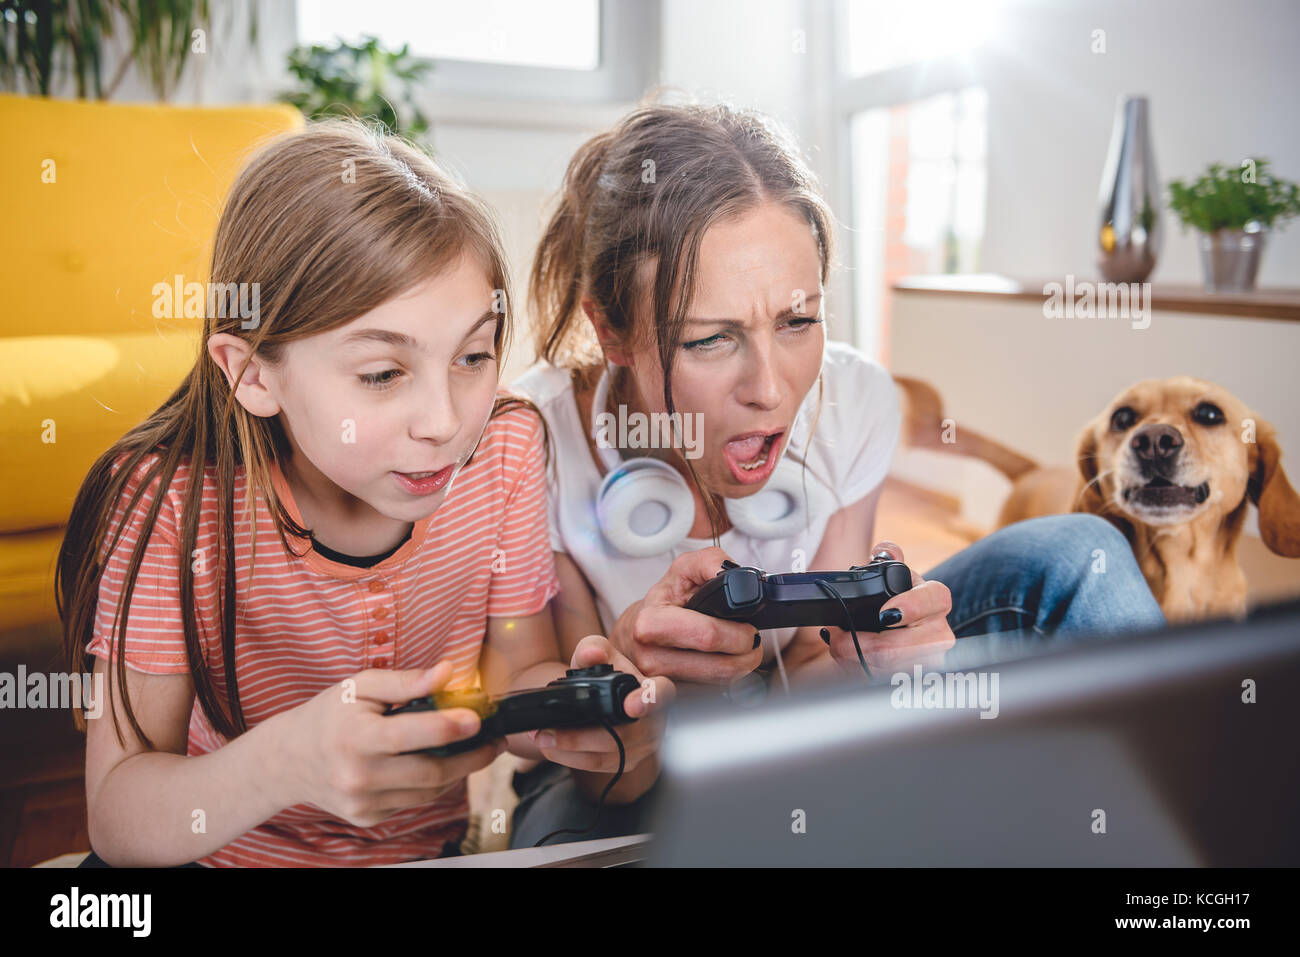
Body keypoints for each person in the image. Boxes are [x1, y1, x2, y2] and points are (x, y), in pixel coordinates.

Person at [506, 100, 1167, 845]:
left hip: (792, 729)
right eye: (710, 338)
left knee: (1079, 554)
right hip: (621, 769)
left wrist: (871, 665)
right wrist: (639, 686)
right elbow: (605, 772)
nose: (771, 387)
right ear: (612, 330)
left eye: (798, 321)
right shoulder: (532, 438)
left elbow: (813, 662)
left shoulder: (852, 399)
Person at [56, 119, 671, 867]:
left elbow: (517, 671)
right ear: (251, 372)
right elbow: (117, 816)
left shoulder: (504, 445)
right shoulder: (173, 504)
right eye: (383, 374)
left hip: (427, 853)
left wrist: (575, 705)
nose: (446, 423)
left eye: (473, 355)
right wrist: (285, 760)